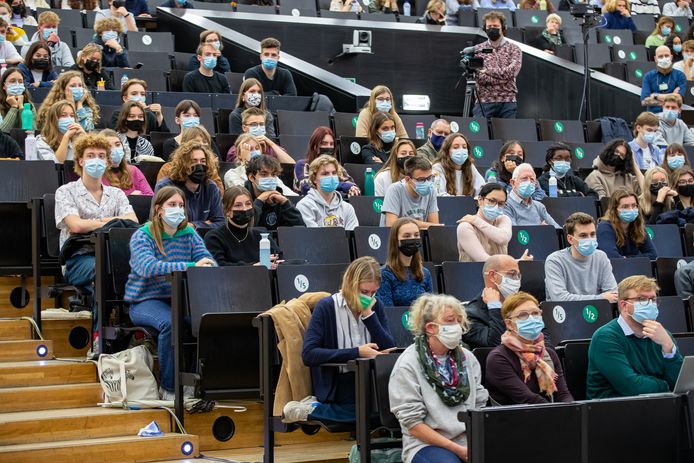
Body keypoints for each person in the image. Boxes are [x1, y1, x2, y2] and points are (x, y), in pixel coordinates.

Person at [125, 185, 215, 400]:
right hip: (144, 300)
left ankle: (194, 382)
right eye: (172, 205)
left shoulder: (189, 233)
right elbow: (148, 267)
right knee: (170, 323)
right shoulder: (142, 235)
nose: (178, 209)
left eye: (181, 205)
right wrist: (190, 265)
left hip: (179, 298)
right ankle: (169, 388)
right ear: (159, 209)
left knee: (205, 321)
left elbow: (208, 261)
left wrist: (204, 264)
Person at [283, 257, 395, 423]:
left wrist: (369, 316)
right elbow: (309, 354)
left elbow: (390, 348)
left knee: (392, 411)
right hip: (339, 382)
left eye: (373, 292)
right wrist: (356, 352)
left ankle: (314, 411)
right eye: (364, 292)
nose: (369, 297)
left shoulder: (375, 306)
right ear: (350, 284)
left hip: (370, 380)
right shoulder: (327, 307)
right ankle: (316, 409)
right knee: (373, 414)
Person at [389, 293, 488, 463]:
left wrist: (474, 443)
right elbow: (413, 425)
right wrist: (459, 450)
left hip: (468, 439)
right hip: (425, 444)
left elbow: (479, 405)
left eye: (459, 320)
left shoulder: (468, 358)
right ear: (430, 328)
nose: (457, 326)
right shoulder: (408, 363)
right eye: (450, 321)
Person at [56, 133, 137, 305]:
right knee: (103, 270)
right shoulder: (65, 191)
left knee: (130, 269)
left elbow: (132, 221)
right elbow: (76, 226)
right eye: (90, 156)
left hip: (113, 255)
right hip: (78, 259)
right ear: (80, 161)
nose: (96, 160)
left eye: (101, 156)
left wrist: (94, 223)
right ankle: (100, 330)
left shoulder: (116, 193)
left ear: (107, 162)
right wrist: (112, 221)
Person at [587, 275, 682, 398]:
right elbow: (631, 387)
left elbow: (680, 383)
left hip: (657, 407)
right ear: (623, 305)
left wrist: (668, 346)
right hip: (612, 410)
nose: (649, 304)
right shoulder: (605, 337)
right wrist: (667, 386)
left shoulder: (663, 335)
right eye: (641, 299)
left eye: (652, 299)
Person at [485, 292, 572, 405]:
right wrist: (559, 415)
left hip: (551, 414)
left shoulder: (548, 353)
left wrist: (571, 411)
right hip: (515, 419)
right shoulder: (498, 358)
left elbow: (563, 394)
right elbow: (528, 399)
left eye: (535, 313)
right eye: (522, 315)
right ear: (509, 324)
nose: (531, 319)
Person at [544, 212, 618, 301]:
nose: (590, 239)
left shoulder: (601, 256)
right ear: (570, 239)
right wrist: (601, 298)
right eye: (583, 236)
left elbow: (613, 294)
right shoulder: (554, 261)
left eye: (592, 234)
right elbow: (560, 298)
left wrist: (603, 298)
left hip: (597, 311)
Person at [203, 185, 282, 267]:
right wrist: (254, 266)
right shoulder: (214, 237)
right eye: (238, 205)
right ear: (227, 211)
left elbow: (280, 259)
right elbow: (219, 266)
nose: (244, 209)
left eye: (248, 204)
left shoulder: (262, 236)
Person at [154, 141, 225, 230]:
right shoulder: (165, 186)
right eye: (193, 161)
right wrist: (205, 224)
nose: (199, 165)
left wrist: (194, 225)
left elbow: (220, 223)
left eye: (203, 161)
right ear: (183, 164)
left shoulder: (211, 187)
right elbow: (158, 221)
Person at [469, 11, 522, 119]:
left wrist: (488, 71)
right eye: (489, 26)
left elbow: (512, 73)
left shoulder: (514, 49)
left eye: (496, 26)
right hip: (483, 102)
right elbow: (480, 77)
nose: (492, 28)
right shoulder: (478, 49)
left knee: (509, 136)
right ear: (484, 28)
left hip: (507, 102)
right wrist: (503, 78)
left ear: (503, 27)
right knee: (480, 135)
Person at [462, 255, 522, 349]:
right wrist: (494, 306)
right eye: (511, 274)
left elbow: (546, 339)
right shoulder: (470, 315)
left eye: (518, 275)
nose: (517, 280)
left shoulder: (524, 305)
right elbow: (496, 344)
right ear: (492, 276)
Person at [376, 217, 433, 307]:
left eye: (416, 235)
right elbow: (388, 313)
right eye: (407, 236)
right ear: (396, 241)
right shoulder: (384, 274)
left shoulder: (425, 273)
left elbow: (430, 310)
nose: (413, 239)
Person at [296, 154, 359, 230]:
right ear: (314, 179)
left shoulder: (347, 208)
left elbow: (351, 238)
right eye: (325, 174)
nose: (331, 177)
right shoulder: (305, 206)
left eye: (334, 173)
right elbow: (314, 237)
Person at [244, 155, 304, 231]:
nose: (270, 178)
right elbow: (245, 227)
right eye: (264, 174)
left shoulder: (279, 198)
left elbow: (300, 228)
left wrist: (286, 203)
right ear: (252, 177)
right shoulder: (242, 197)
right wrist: (259, 201)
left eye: (273, 175)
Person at [294, 126, 358, 196]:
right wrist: (342, 187)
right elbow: (306, 187)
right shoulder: (303, 165)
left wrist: (351, 190)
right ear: (315, 146)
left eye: (331, 144)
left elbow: (351, 185)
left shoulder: (337, 167)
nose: (329, 147)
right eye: (324, 143)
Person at [457, 183, 514, 262]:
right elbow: (484, 260)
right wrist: (515, 262)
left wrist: (476, 221)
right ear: (480, 200)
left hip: (502, 273)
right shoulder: (465, 227)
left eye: (501, 203)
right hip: (474, 273)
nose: (496, 206)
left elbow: (503, 238)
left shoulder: (503, 219)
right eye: (492, 201)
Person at [597, 188, 658, 260]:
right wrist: (638, 259)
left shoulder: (638, 226)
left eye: (634, 205)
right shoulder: (605, 227)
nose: (631, 209)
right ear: (614, 210)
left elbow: (653, 254)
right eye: (625, 206)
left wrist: (626, 258)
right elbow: (613, 258)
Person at [157, 126, 224, 191]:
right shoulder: (167, 169)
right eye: (196, 141)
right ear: (185, 145)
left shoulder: (210, 170)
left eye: (205, 141)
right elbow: (162, 196)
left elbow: (219, 194)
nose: (201, 145)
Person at [381, 156, 440, 228]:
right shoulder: (395, 189)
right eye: (421, 179)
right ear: (407, 179)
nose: (427, 183)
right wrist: (417, 223)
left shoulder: (431, 190)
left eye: (429, 178)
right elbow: (391, 225)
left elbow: (435, 227)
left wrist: (409, 222)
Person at [226, 107, 294, 165]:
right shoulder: (236, 149)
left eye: (261, 124)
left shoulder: (271, 147)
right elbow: (237, 170)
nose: (258, 127)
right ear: (244, 128)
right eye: (253, 124)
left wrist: (271, 143)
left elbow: (291, 165)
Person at [503, 163, 560, 228]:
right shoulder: (505, 205)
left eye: (532, 179)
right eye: (524, 178)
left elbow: (557, 230)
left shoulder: (539, 207)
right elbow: (515, 233)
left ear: (535, 185)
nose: (529, 182)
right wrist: (541, 230)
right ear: (513, 183)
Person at [100, 128, 153, 196]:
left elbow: (150, 197)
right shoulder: (99, 174)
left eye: (117, 144)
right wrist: (131, 198)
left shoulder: (133, 170)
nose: (115, 149)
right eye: (108, 146)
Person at [432, 133, 485, 197]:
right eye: (456, 147)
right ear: (447, 151)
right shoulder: (438, 168)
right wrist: (460, 200)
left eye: (464, 147)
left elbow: (482, 189)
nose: (461, 150)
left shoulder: (470, 167)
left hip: (466, 206)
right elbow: (438, 194)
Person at [641, 45, 686, 113]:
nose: (664, 58)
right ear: (655, 59)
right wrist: (672, 96)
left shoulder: (680, 75)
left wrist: (655, 96)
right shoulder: (648, 76)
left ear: (671, 57)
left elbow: (679, 99)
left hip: (673, 116)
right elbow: (644, 101)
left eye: (666, 55)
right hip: (653, 117)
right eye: (660, 56)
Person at [0, 66, 36, 133]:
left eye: (20, 81)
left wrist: (21, 108)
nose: (17, 84)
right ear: (4, 85)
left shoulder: (29, 105)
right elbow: (2, 134)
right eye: (12, 81)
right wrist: (14, 107)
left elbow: (32, 132)